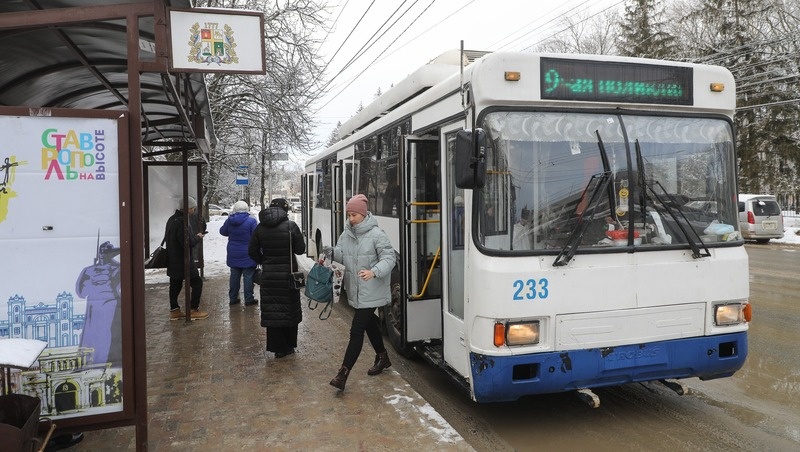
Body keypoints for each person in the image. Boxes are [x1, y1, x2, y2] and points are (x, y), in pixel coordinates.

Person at [328, 193, 397, 391]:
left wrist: (373, 272)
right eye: (349, 215)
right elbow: (341, 254)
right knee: (369, 325)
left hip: (372, 289)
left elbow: (389, 258)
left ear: (363, 214)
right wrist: (331, 252)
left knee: (356, 330)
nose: (351, 219)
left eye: (354, 215)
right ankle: (383, 357)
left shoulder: (377, 234)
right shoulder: (346, 234)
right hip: (356, 289)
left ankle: (343, 374)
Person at [248, 198, 305, 358]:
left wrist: (264, 260)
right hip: (288, 276)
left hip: (269, 276)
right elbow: (300, 249)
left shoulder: (260, 228)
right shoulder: (290, 226)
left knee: (273, 311)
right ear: (285, 210)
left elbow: (252, 251)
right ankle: (289, 345)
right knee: (289, 309)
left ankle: (277, 347)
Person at [166, 196, 208, 320]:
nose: (194, 211)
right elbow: (187, 243)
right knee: (197, 283)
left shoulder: (172, 219)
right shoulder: (182, 222)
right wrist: (197, 237)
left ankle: (174, 311)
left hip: (172, 258)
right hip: (183, 260)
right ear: (188, 208)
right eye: (193, 208)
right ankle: (193, 310)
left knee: (175, 284)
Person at [220, 200, 258, 306]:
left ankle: (233, 298)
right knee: (248, 276)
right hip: (248, 253)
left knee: (234, 276)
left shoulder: (230, 220)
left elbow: (223, 231)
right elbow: (256, 236)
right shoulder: (251, 221)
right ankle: (249, 299)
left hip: (233, 252)